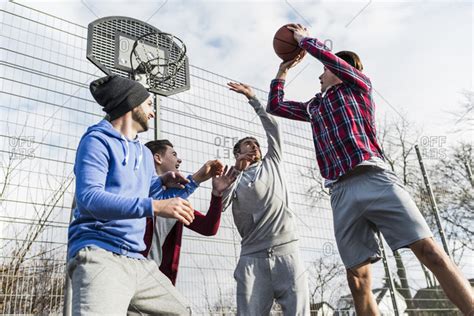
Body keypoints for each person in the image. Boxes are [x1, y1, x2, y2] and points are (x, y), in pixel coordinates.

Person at [267, 24, 474, 315]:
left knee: (431, 253)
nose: (319, 75)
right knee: (358, 278)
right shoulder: (315, 106)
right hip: (339, 190)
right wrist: (283, 71)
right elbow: (275, 106)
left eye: (324, 70)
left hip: (375, 178)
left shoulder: (358, 86)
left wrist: (302, 40)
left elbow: (327, 58)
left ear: (339, 69)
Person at [67, 74, 218, 315]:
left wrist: (177, 181)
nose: (153, 112)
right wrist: (154, 206)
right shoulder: (96, 141)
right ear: (131, 104)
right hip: (101, 254)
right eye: (149, 104)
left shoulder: (142, 152)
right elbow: (90, 199)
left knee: (183, 311)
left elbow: (151, 193)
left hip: (138, 262)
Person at [223, 82, 309, 316]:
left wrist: (252, 98)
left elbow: (273, 126)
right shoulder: (232, 176)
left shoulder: (272, 161)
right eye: (247, 145)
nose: (254, 147)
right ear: (237, 154)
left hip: (287, 250)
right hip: (252, 256)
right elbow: (221, 204)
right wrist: (237, 173)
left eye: (256, 144)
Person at [142, 139, 237, 285]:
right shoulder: (138, 185)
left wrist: (216, 194)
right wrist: (197, 177)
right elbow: (153, 198)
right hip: (130, 265)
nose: (179, 159)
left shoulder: (177, 200)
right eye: (173, 154)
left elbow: (208, 228)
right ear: (158, 158)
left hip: (154, 273)